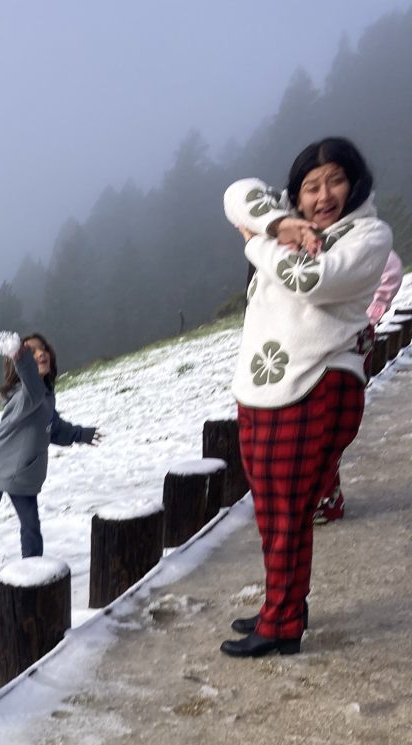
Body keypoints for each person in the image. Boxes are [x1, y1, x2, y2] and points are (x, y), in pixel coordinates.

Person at [220, 136, 392, 657]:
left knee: (290, 510)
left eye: (335, 180)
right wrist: (278, 224)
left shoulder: (367, 235)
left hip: (315, 383)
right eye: (310, 186)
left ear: (356, 181)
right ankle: (283, 603)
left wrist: (254, 241)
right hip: (268, 389)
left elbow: (309, 278)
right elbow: (237, 191)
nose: (322, 196)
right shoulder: (293, 225)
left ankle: (284, 622)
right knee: (273, 510)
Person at [0, 333, 101, 561]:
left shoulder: (45, 397)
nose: (41, 353)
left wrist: (81, 434)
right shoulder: (27, 396)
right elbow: (32, 384)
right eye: (32, 351)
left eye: (43, 348)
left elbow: (54, 428)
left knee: (31, 526)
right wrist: (18, 354)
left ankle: (32, 573)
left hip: (24, 474)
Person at [315, 247, 403, 524]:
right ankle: (321, 496)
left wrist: (372, 311)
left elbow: (390, 267)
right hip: (315, 343)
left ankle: (326, 498)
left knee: (333, 423)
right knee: (317, 422)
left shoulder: (357, 238)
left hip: (351, 341)